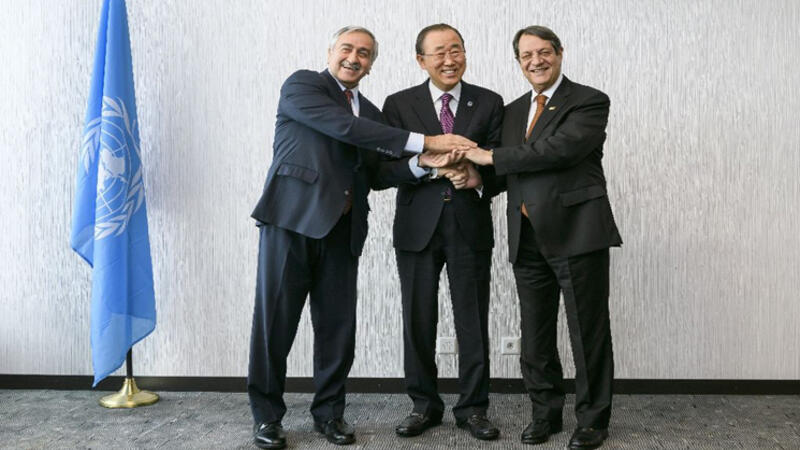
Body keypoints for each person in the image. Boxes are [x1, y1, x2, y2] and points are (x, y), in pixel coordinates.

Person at [247, 26, 473, 449]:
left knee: (338, 331)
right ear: (330, 51)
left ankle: (329, 415)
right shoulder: (303, 86)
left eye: (365, 53)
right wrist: (426, 140)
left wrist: (424, 163)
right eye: (347, 49)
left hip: (343, 231)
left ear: (371, 65)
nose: (354, 58)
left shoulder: (370, 111)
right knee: (274, 325)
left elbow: (377, 174)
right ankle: (267, 417)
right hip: (290, 223)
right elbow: (344, 129)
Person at [462, 26, 622, 449]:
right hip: (527, 235)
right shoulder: (513, 111)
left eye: (544, 52)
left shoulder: (588, 101)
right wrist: (478, 177)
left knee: (587, 332)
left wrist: (489, 155)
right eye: (527, 55)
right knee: (534, 336)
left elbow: (559, 150)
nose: (536, 61)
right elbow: (510, 170)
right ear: (518, 62)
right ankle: (544, 414)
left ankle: (592, 420)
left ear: (560, 53)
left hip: (577, 232)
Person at [379, 23, 504, 441]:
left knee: (473, 320)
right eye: (439, 53)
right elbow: (381, 171)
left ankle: (474, 408)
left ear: (465, 53)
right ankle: (423, 405)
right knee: (418, 319)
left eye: (456, 50)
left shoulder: (489, 102)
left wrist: (477, 178)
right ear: (421, 60)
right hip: (417, 227)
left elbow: (503, 165)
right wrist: (423, 165)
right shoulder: (399, 105)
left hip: (469, 225)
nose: (450, 60)